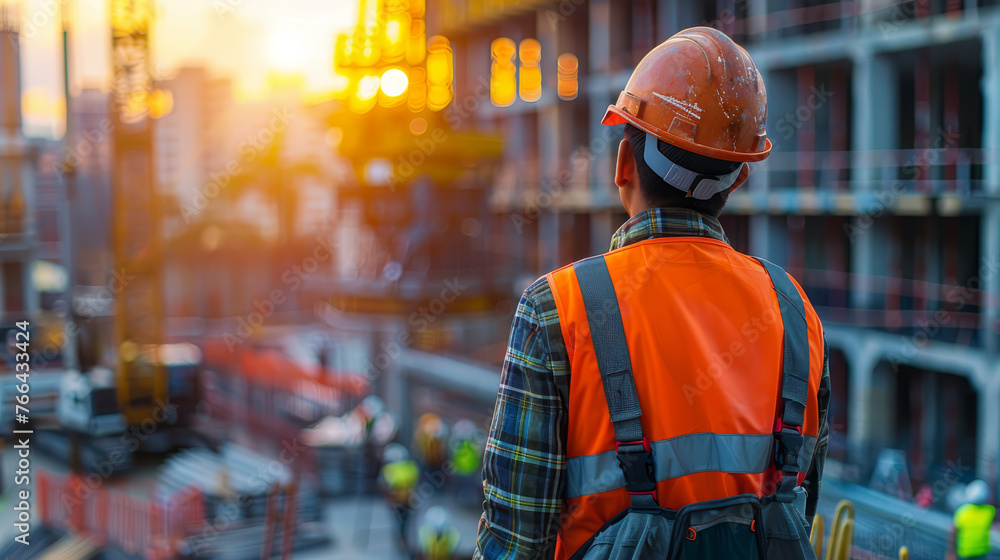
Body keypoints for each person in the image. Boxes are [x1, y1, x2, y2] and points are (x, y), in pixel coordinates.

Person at [475, 27, 830, 559]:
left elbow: (513, 542)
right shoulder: (795, 313)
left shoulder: (558, 309)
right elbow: (798, 507)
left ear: (623, 165)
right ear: (736, 180)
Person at [380, 442, 420, 554]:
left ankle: (403, 541)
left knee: (404, 523)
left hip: (406, 501)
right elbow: (384, 486)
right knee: (401, 523)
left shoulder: (398, 469)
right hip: (398, 502)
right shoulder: (407, 468)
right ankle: (401, 541)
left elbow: (414, 484)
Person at [949, 480, 996, 560]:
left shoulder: (963, 511)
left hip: (965, 552)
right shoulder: (989, 511)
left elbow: (952, 532)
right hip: (982, 552)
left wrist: (951, 552)